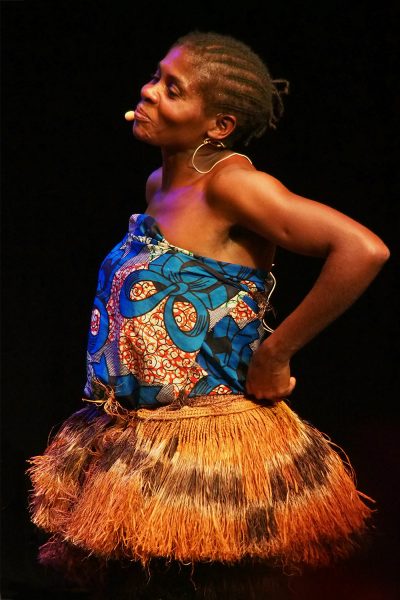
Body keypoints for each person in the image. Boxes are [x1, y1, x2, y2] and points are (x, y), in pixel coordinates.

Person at [27, 31, 389, 576]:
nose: (149, 93)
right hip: (133, 440)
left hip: (205, 451)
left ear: (218, 126)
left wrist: (275, 352)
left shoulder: (234, 186)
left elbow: (362, 250)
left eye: (173, 90)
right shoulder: (159, 186)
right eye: (156, 77)